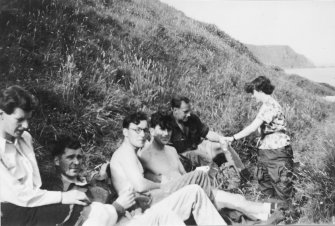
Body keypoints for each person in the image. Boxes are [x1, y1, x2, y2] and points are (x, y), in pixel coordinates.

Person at [139, 111, 282, 223]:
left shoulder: (171, 150)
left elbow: (183, 176)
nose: (166, 134)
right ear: (151, 131)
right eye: (162, 129)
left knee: (236, 199)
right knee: (231, 201)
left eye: (169, 129)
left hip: (191, 191)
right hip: (174, 200)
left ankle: (267, 211)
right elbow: (145, 188)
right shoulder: (144, 156)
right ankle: (268, 211)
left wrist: (198, 174)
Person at [109, 112, 227, 225]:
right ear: (125, 132)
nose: (142, 134)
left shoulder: (132, 152)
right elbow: (140, 185)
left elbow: (140, 178)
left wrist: (158, 180)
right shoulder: (125, 153)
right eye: (137, 130)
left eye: (144, 130)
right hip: (142, 209)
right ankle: (215, 215)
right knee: (198, 181)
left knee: (195, 190)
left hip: (147, 201)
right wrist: (162, 185)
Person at [46, 134, 187, 226]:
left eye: (79, 157)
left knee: (169, 211)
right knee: (164, 215)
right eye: (70, 157)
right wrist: (118, 206)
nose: (77, 162)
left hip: (130, 217)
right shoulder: (60, 192)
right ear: (57, 161)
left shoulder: (86, 182)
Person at [0, 85, 90, 226]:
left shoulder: (25, 138)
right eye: (20, 119)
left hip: (33, 206)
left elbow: (34, 184)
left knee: (99, 209)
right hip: (9, 215)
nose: (26, 125)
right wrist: (62, 197)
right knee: (91, 212)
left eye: (28, 119)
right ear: (1, 115)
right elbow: (17, 194)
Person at [223, 76, 295, 202]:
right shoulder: (266, 105)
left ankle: (286, 216)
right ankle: (274, 215)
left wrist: (233, 138)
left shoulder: (270, 105)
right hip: (267, 153)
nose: (252, 96)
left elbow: (252, 127)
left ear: (259, 90)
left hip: (276, 153)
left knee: (282, 188)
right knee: (267, 188)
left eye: (253, 92)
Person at [169, 95, 243, 171]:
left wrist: (222, 139)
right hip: (180, 155)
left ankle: (242, 172)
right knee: (201, 157)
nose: (189, 114)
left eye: (189, 111)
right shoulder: (165, 124)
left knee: (222, 145)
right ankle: (216, 175)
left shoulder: (192, 118)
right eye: (185, 112)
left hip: (197, 147)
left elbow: (207, 133)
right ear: (175, 110)